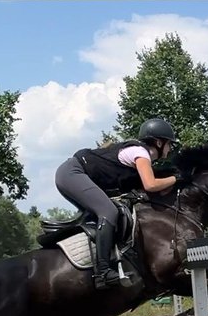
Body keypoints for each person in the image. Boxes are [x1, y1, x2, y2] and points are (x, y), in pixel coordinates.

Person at [55, 118, 183, 289]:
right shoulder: (142, 153)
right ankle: (103, 272)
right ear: (159, 142)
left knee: (111, 213)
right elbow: (150, 185)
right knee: (108, 212)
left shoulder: (140, 155)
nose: (170, 149)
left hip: (71, 174)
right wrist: (177, 179)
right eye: (169, 144)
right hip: (72, 173)